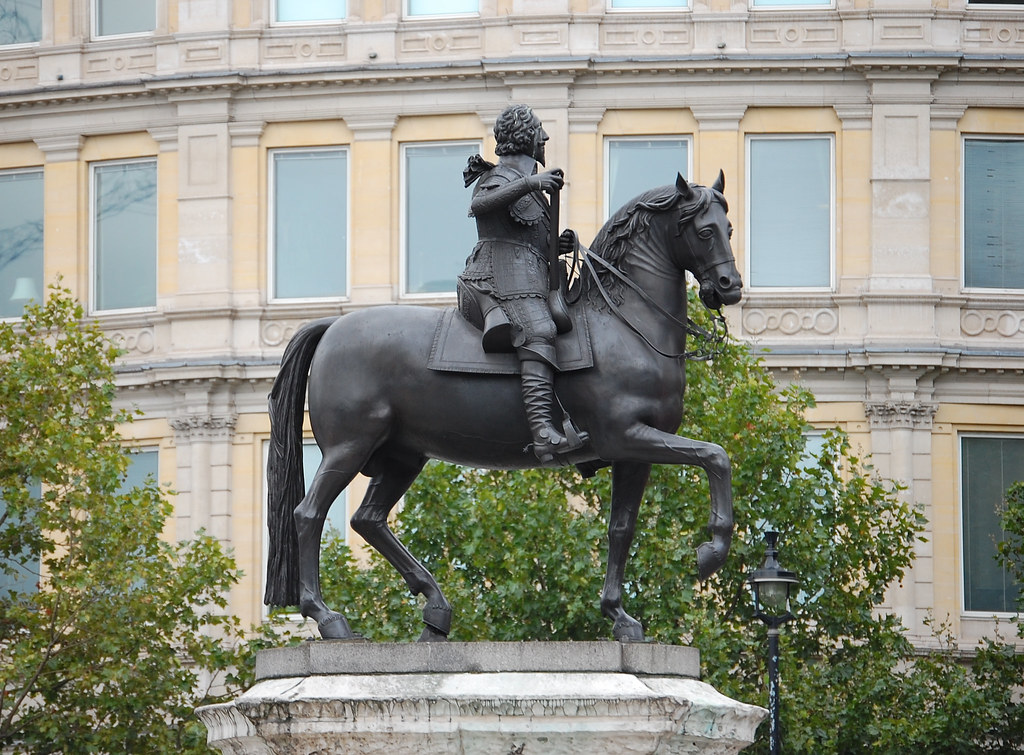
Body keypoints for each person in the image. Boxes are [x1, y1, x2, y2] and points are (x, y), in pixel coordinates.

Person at [460, 104, 586, 463]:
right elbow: (480, 205)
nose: (544, 137)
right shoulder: (497, 177)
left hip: (526, 275)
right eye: (539, 130)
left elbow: (529, 237)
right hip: (495, 276)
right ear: (526, 136)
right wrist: (529, 183)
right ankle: (543, 433)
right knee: (539, 329)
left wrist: (558, 245)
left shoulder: (528, 188)